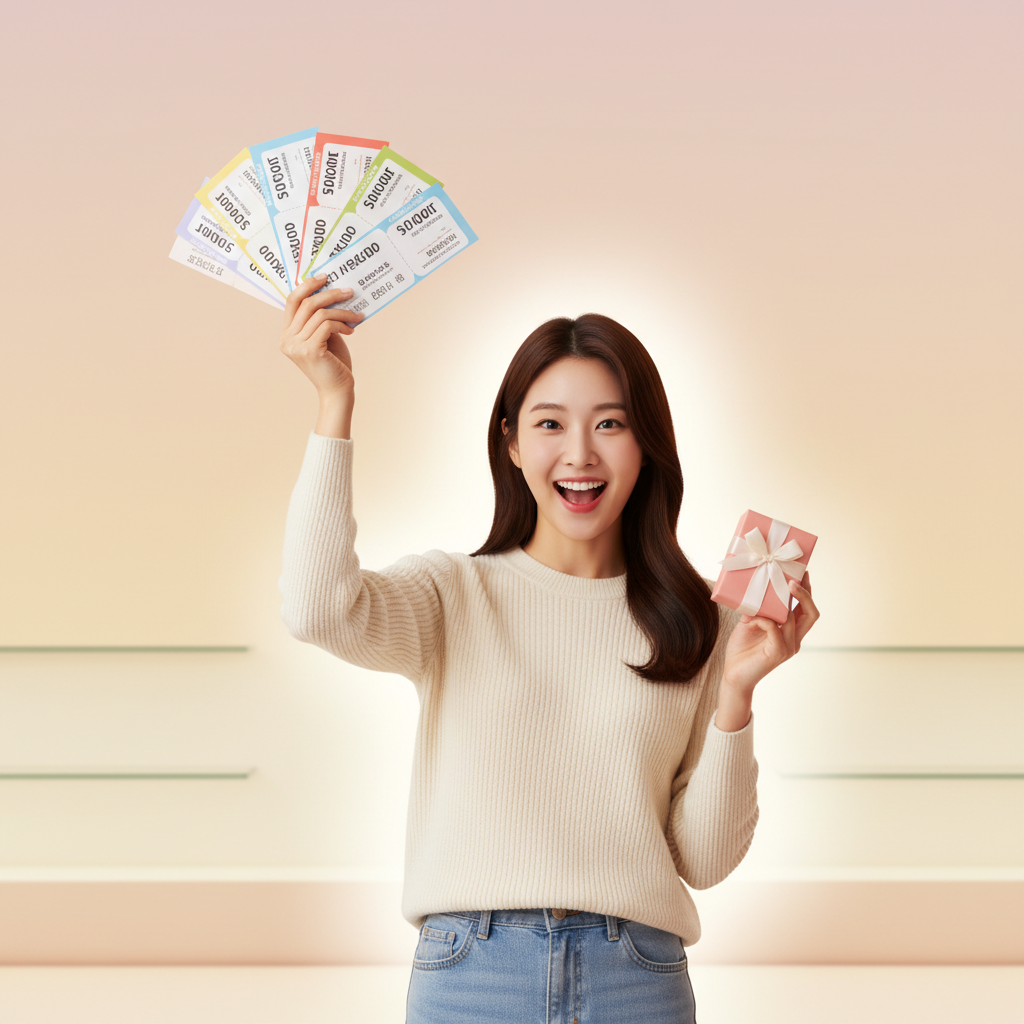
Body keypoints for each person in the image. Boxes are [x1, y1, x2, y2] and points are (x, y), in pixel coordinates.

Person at [277, 274, 819, 1023]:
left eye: (610, 424)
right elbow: (315, 611)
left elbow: (706, 860)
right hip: (471, 975)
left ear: (647, 443)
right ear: (511, 440)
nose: (580, 455)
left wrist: (737, 697)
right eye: (550, 424)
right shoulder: (451, 595)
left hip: (638, 976)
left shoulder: (703, 621)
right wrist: (333, 404)